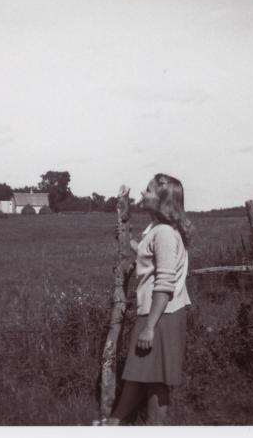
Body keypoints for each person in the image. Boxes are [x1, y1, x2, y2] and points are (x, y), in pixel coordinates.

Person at [99, 173, 194, 426]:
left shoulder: (163, 233)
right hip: (155, 312)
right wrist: (125, 232)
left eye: (148, 191)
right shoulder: (156, 230)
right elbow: (144, 252)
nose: (143, 193)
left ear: (162, 201)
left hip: (161, 315)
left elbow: (165, 283)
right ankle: (114, 423)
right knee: (139, 374)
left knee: (156, 382)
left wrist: (150, 327)